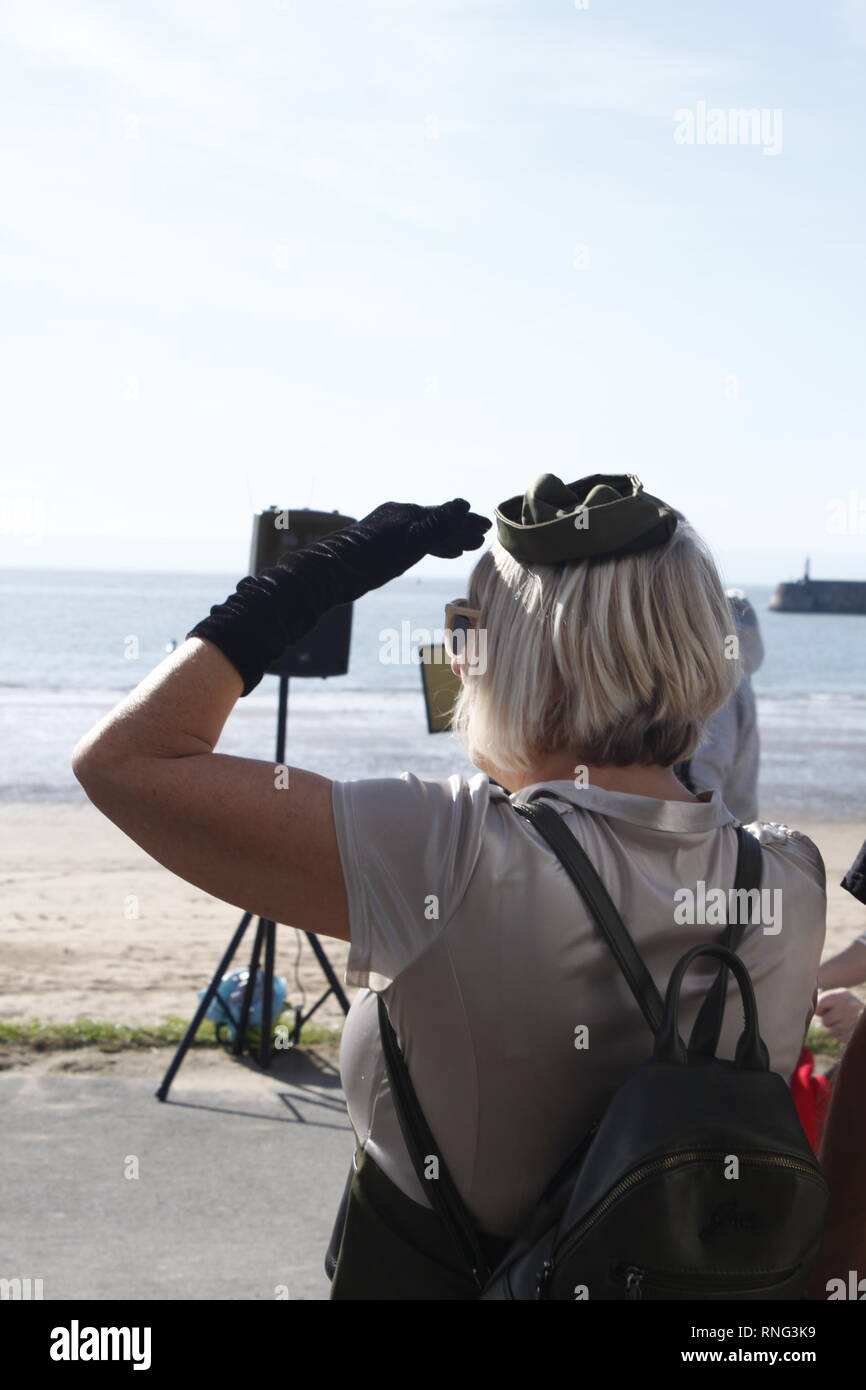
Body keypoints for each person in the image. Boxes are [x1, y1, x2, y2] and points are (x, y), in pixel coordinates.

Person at [71, 474, 827, 1300]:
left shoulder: (442, 849)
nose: (458, 661)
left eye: (468, 633)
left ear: (522, 656)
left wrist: (317, 577)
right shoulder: (788, 876)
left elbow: (125, 762)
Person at [674, 589, 764, 823]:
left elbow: (701, 771)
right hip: (736, 832)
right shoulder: (740, 680)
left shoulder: (716, 681)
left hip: (709, 834)